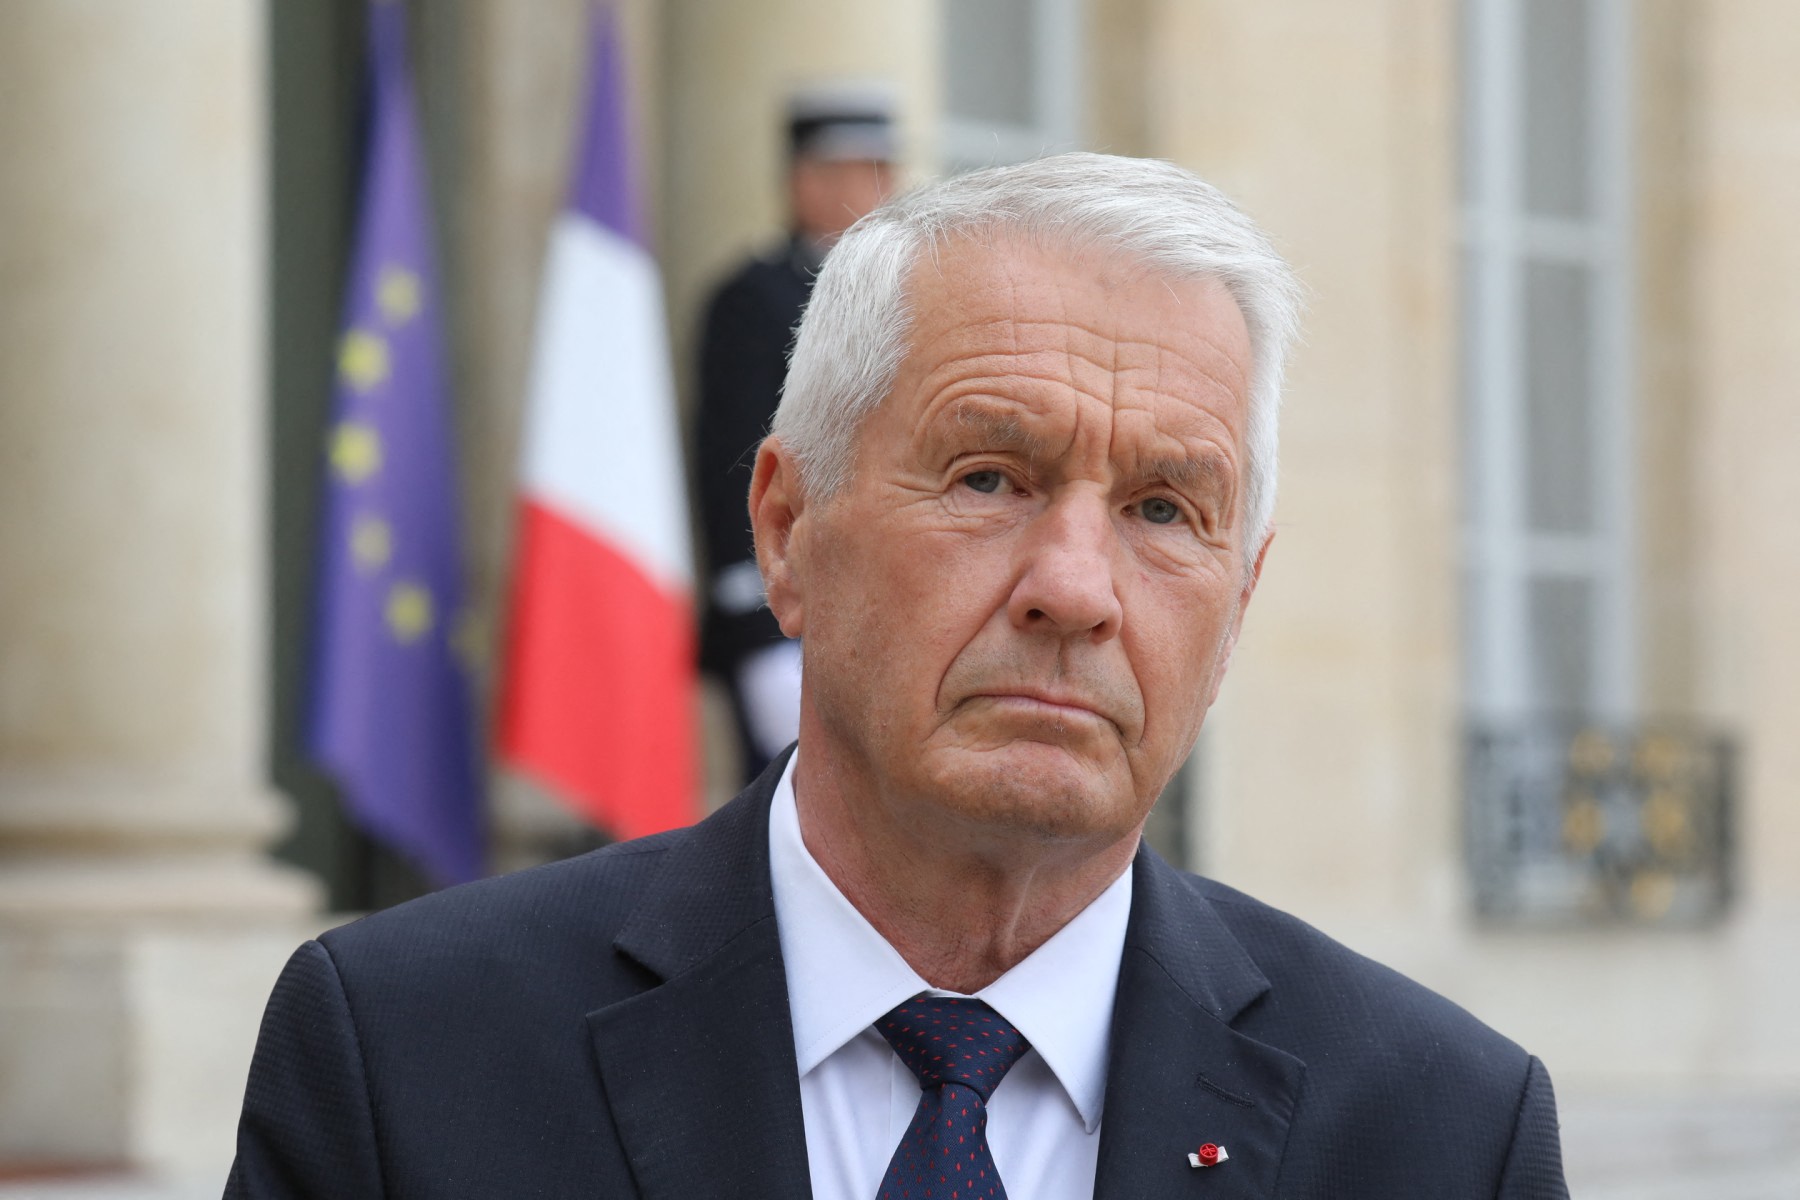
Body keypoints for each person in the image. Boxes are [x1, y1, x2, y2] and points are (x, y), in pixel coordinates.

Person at [226, 154, 1569, 1198]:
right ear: (785, 531)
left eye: (1166, 510)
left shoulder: (1441, 1134)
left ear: (1241, 600)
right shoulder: (407, 1062)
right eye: (991, 477)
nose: (1077, 589)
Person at [695, 83, 897, 784]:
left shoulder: (903, 297)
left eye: (883, 171)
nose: (872, 191)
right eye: (849, 172)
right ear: (802, 181)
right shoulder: (753, 297)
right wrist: (756, 610)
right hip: (784, 605)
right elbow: (732, 458)